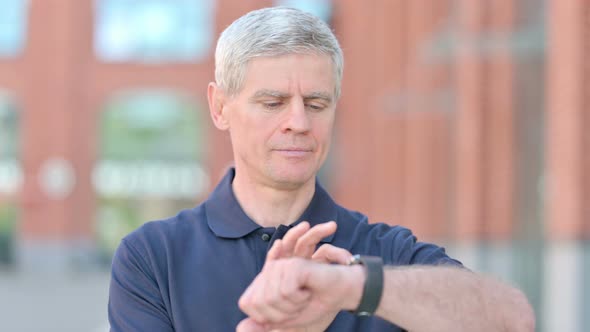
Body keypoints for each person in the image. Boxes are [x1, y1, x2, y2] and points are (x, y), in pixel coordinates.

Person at [108, 7, 535, 332]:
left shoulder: (380, 252)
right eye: (273, 103)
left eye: (316, 104)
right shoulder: (153, 257)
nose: (299, 122)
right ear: (220, 107)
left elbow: (512, 318)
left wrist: (353, 288)